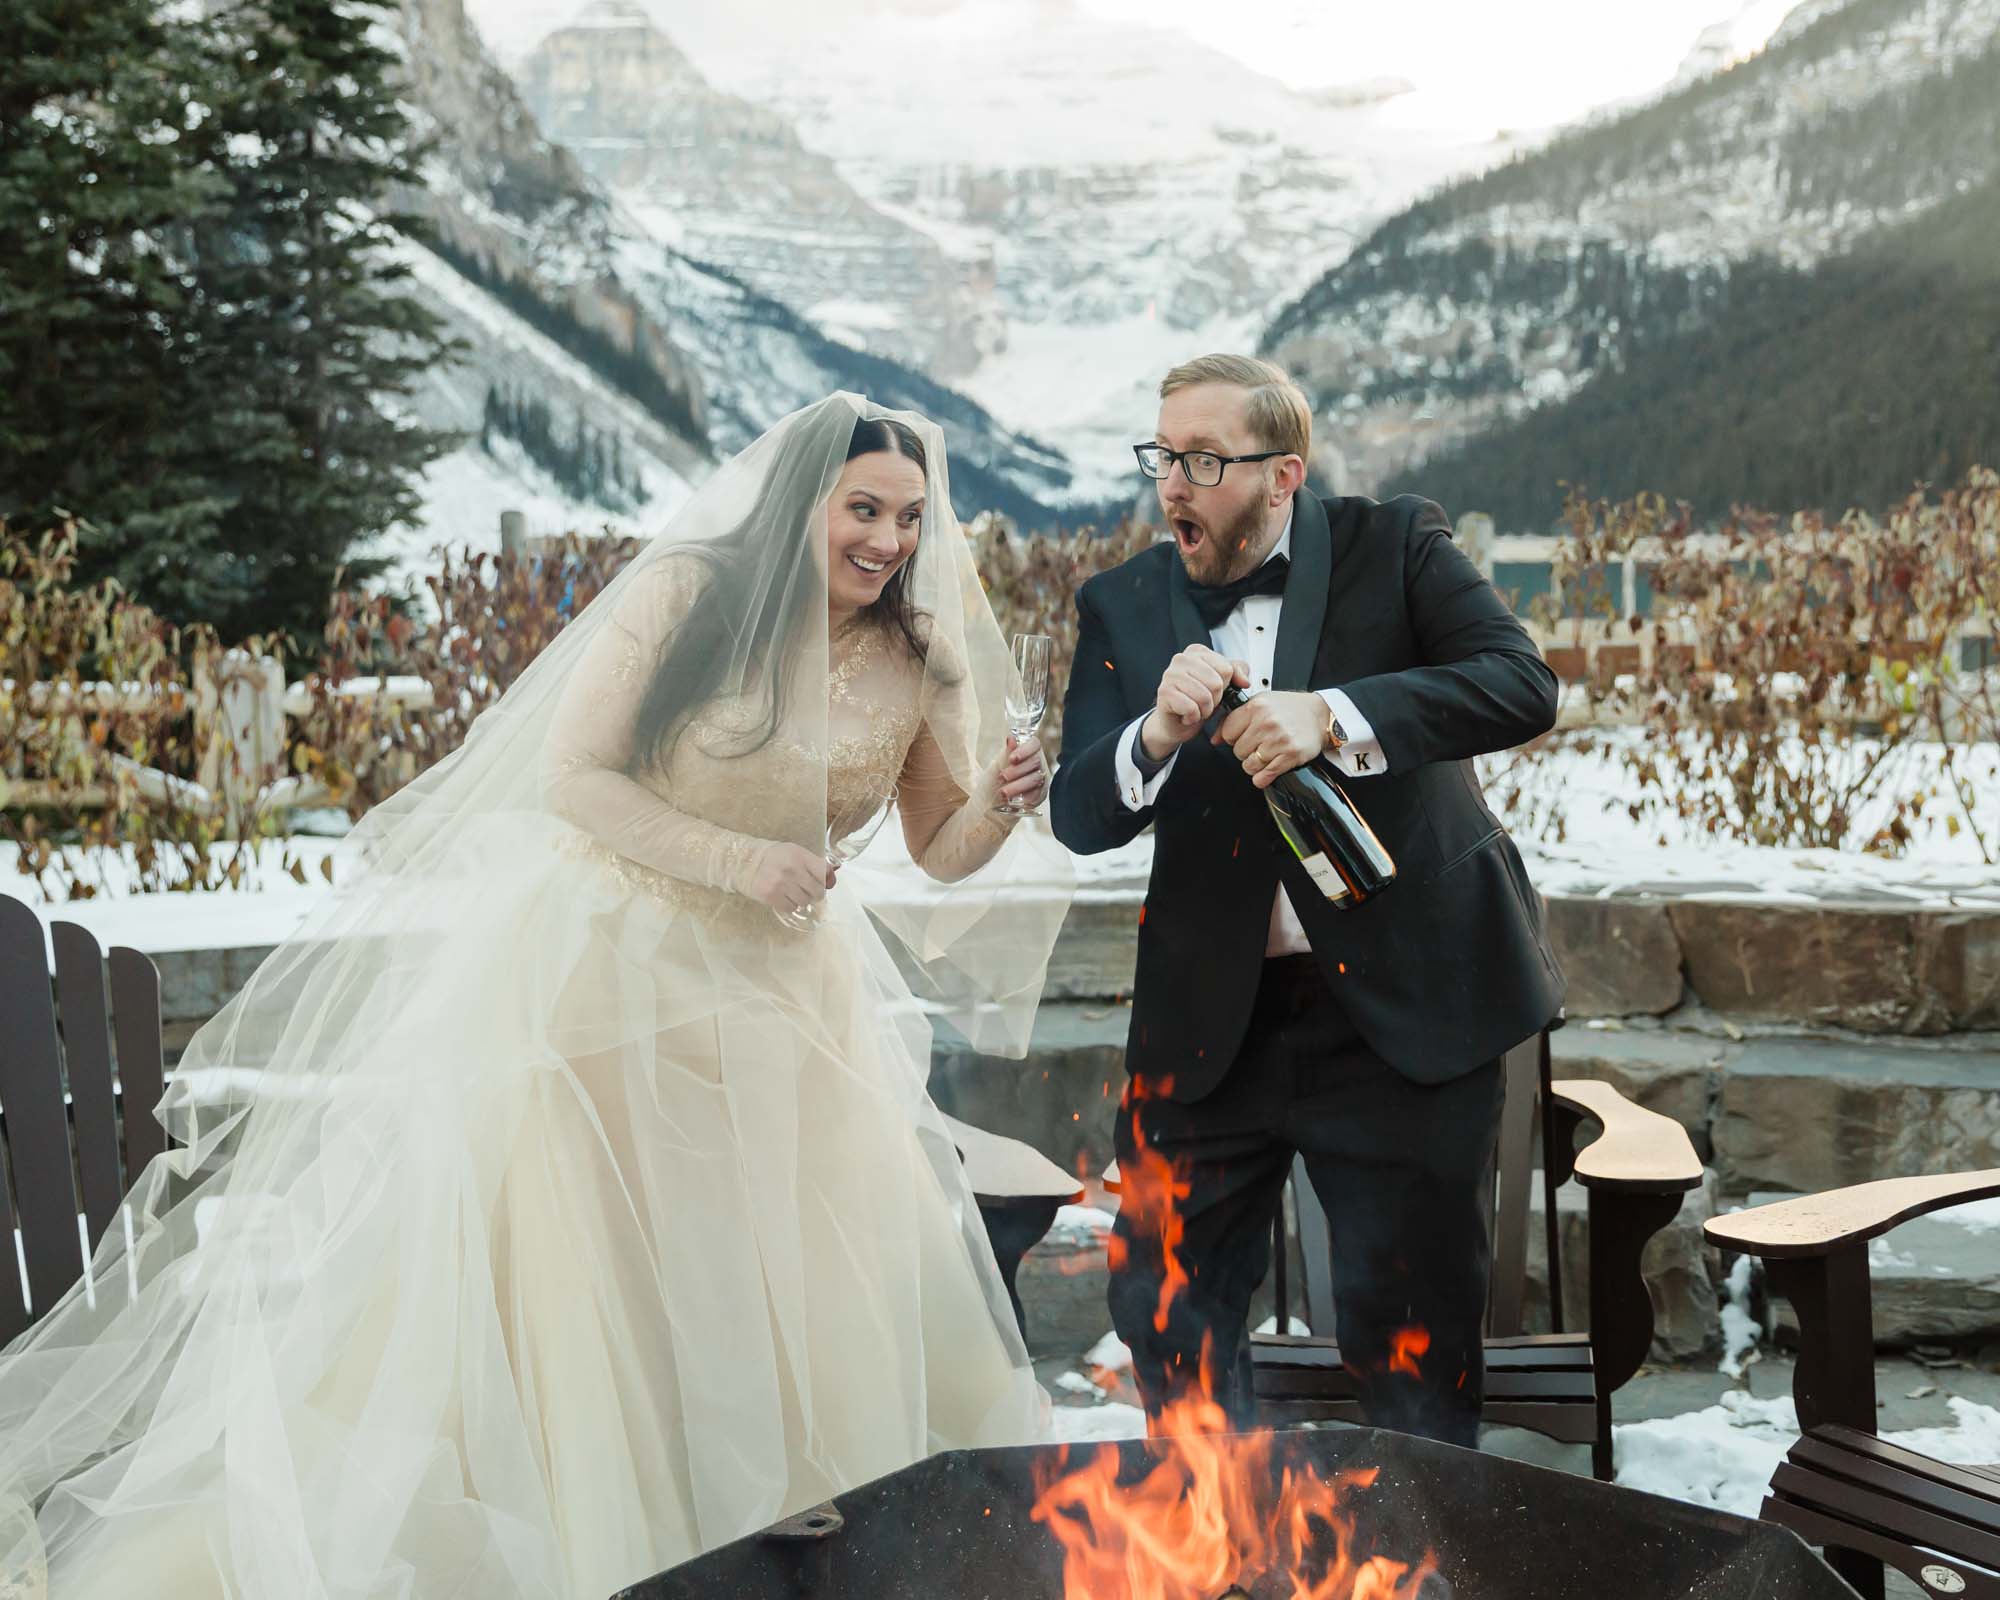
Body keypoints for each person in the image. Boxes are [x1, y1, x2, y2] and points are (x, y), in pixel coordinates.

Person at [0, 394, 1069, 1597]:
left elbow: (938, 843)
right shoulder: (688, 599)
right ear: (801, 502)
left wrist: (1001, 802)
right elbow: (573, 778)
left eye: (908, 518)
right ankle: (621, 1539)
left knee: (789, 1283)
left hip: (786, 1000)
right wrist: (737, 861)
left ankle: (775, 1546)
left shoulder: (915, 656)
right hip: (612, 974)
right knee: (613, 1281)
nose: (884, 539)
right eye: (861, 509)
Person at [1049, 354, 1564, 1446]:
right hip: (1207, 1032)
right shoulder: (1122, 603)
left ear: (1283, 473)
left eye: (1201, 459)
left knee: (1410, 1340)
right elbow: (1076, 811)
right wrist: (1151, 735)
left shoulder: (1398, 542)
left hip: (1402, 1018)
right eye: (1161, 457)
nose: (1171, 484)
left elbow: (1519, 684)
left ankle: (1414, 1561)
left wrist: (1330, 714)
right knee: (1162, 1313)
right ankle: (1214, 1544)